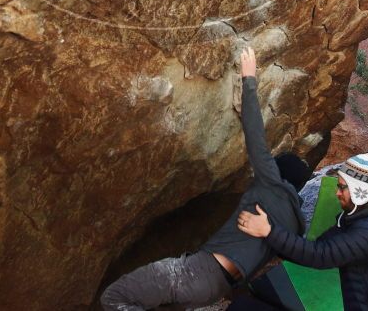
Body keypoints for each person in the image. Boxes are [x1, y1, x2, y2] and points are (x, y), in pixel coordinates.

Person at [100, 47, 310, 310]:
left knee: (115, 296)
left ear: (280, 173)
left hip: (195, 272)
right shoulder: (292, 226)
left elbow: (256, 136)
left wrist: (249, 79)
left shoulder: (272, 186)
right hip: (215, 288)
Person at [236, 153, 368, 311]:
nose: (337, 193)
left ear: (360, 190)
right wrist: (270, 237)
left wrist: (269, 231)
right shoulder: (357, 217)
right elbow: (316, 248)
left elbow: (320, 255)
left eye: (342, 187)